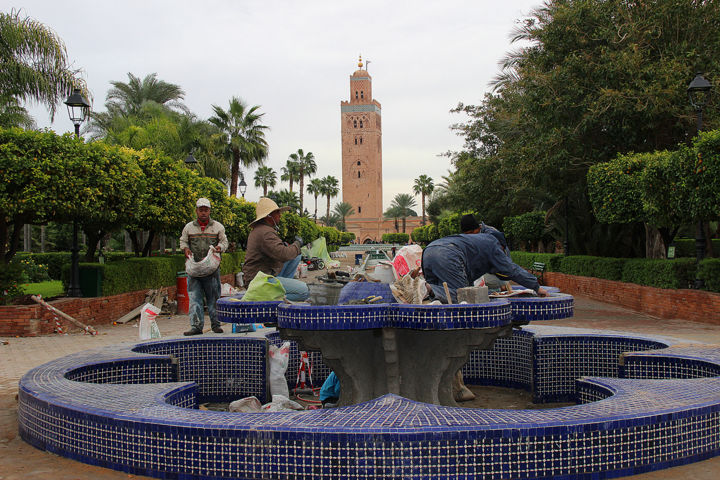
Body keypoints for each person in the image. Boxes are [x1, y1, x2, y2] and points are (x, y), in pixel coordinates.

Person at [422, 230, 548, 303]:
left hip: (429, 250)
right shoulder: (493, 246)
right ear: (502, 247)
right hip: (448, 253)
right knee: (462, 296)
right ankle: (427, 287)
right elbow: (511, 269)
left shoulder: (478, 242)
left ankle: (422, 288)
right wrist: (536, 287)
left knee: (435, 301)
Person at [243, 197, 310, 301]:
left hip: (263, 274)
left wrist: (292, 247)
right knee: (304, 291)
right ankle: (274, 298)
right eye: (277, 213)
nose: (280, 215)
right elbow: (284, 254)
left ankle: (280, 288)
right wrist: (297, 243)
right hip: (260, 281)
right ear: (269, 216)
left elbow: (281, 252)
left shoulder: (262, 230)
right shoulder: (265, 232)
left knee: (296, 256)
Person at [180, 198, 228, 335]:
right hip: (194, 271)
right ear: (196, 211)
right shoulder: (189, 227)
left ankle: (216, 324)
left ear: (209, 211)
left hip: (211, 270)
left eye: (206, 210)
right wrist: (186, 249)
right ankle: (196, 326)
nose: (203, 213)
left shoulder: (218, 227)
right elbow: (183, 242)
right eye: (201, 210)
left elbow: (224, 242)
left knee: (214, 298)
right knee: (195, 298)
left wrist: (219, 247)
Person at [460, 214, 512, 293]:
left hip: (501, 276)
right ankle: (495, 290)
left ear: (477, 228)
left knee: (470, 280)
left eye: (471, 233)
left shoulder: (491, 235)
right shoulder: (476, 236)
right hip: (491, 275)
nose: (470, 236)